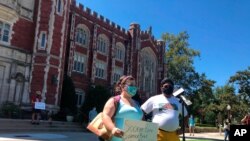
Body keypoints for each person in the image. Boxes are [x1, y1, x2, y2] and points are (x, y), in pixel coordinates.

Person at [102, 75, 143, 141]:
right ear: (122, 86)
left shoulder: (137, 103)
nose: (134, 87)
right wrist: (113, 129)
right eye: (131, 85)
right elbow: (106, 116)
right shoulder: (115, 100)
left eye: (135, 85)